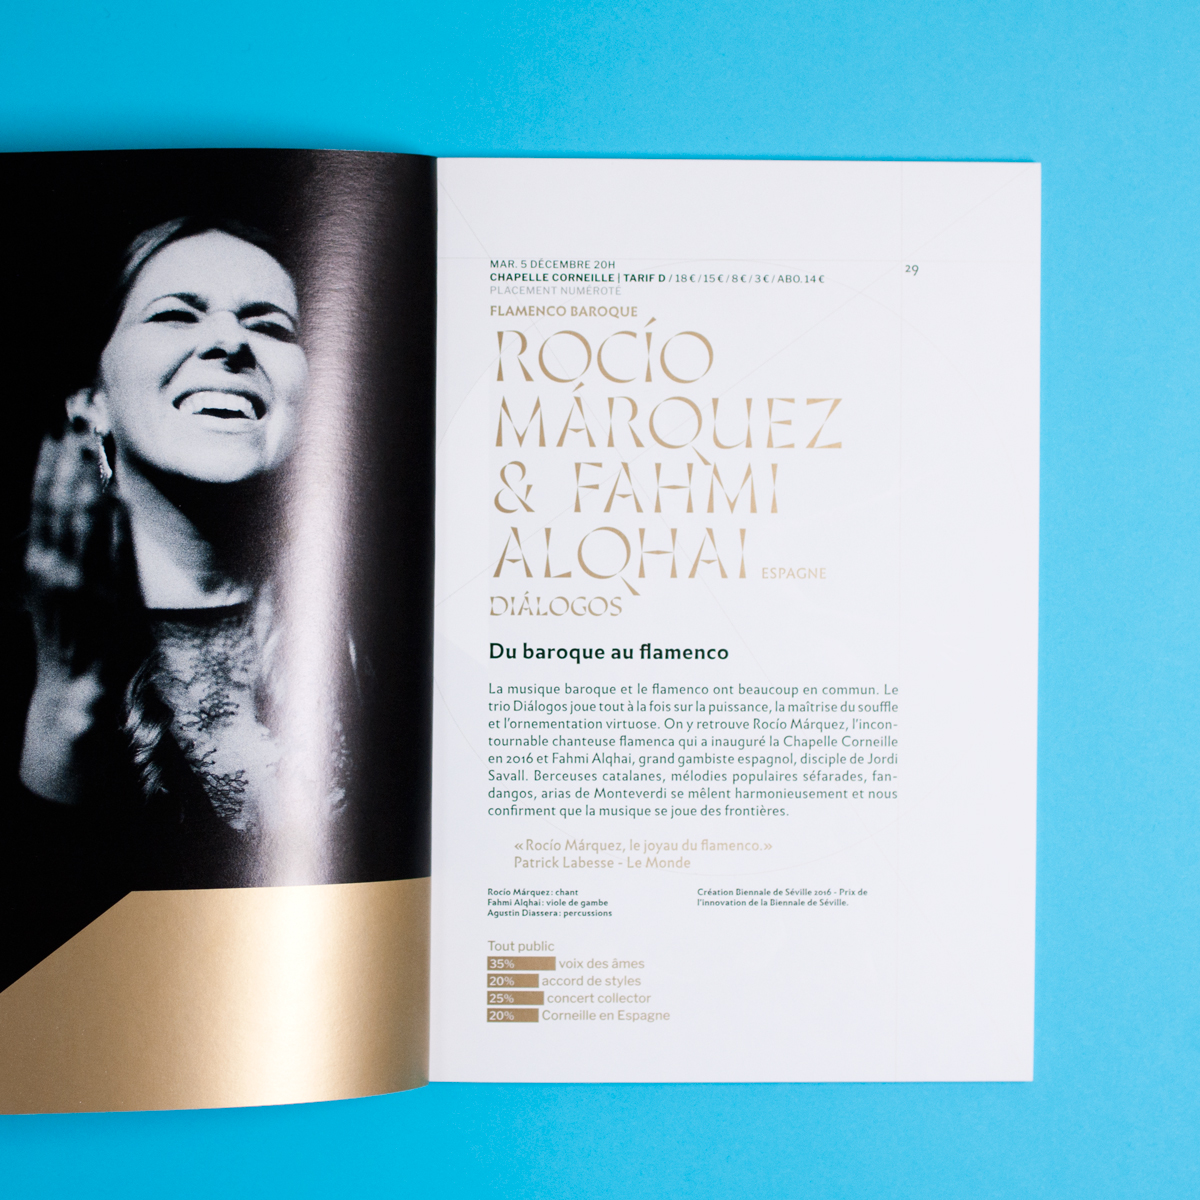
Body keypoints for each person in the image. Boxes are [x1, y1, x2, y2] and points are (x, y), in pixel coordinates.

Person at [11, 217, 355, 920]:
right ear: (91, 400)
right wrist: (66, 705)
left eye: (270, 326)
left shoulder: (395, 629)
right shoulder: (20, 645)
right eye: (175, 314)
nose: (231, 342)